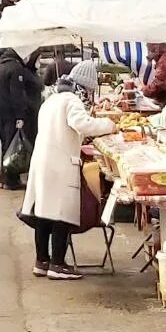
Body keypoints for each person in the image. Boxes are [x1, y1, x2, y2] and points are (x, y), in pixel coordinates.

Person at [21, 61, 116, 281]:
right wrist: (108, 125)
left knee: (44, 213)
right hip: (61, 164)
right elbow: (80, 124)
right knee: (61, 215)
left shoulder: (52, 99)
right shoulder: (71, 101)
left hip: (43, 162)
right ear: (84, 86)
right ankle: (58, 264)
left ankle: (41, 261)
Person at [0, 48, 41, 189]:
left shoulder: (0, 66)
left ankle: (5, 178)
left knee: (6, 144)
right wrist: (20, 115)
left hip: (0, 112)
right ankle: (11, 179)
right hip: (11, 113)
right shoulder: (15, 68)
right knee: (13, 146)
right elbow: (16, 94)